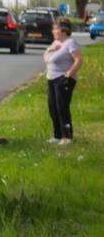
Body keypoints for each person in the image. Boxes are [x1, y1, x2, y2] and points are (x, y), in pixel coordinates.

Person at [43, 17, 83, 145]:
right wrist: (50, 50)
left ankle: (67, 137)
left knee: (62, 108)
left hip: (63, 79)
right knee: (52, 107)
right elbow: (46, 58)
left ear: (64, 30)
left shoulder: (70, 43)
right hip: (51, 78)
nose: (53, 31)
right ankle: (57, 135)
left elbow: (78, 60)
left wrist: (68, 74)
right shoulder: (55, 43)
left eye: (55, 29)